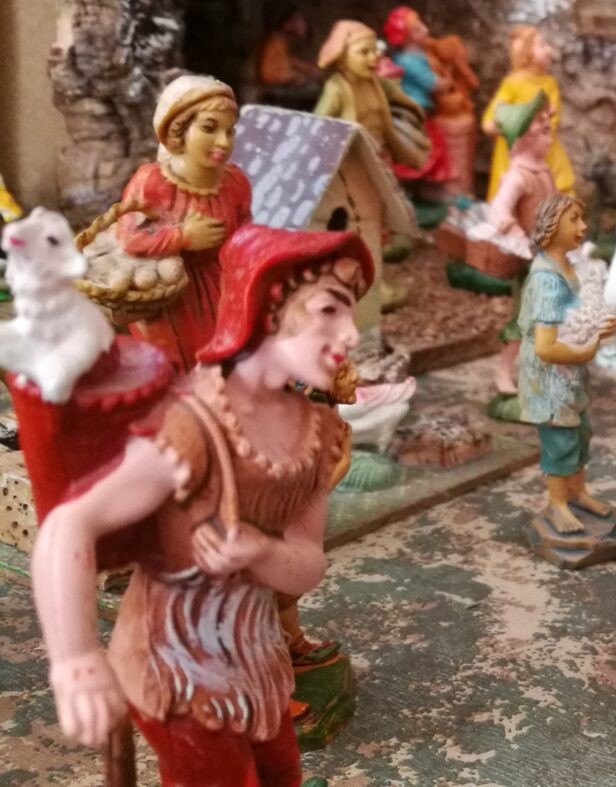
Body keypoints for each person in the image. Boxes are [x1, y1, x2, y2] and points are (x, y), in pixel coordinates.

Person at [31, 224, 372, 786]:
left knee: (282, 774)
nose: (351, 333)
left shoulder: (318, 432)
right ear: (267, 307)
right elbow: (70, 523)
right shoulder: (193, 423)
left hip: (256, 660)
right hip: (177, 666)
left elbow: (309, 563)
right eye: (330, 310)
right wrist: (75, 661)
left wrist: (259, 551)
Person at [116, 75, 252, 372]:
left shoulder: (235, 183)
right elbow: (129, 238)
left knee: (230, 360)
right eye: (209, 128)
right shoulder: (153, 182)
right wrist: (183, 236)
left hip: (222, 286)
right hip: (171, 296)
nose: (223, 141)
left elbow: (247, 236)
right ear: (178, 131)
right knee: (177, 369)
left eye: (230, 131)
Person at [518, 194, 616, 533]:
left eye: (581, 218)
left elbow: (581, 316)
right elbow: (546, 347)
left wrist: (604, 326)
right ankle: (557, 503)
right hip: (549, 378)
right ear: (551, 226)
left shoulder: (572, 267)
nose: (583, 226)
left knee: (581, 432)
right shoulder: (547, 280)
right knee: (560, 439)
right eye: (574, 219)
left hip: (571, 373)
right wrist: (588, 349)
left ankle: (577, 492)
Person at [487, 91, 558, 398]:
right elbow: (499, 210)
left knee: (550, 318)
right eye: (543, 133)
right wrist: (516, 233)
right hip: (530, 263)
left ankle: (543, 373)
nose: (549, 139)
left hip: (550, 259)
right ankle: (504, 370)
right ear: (525, 139)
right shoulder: (519, 177)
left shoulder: (543, 171)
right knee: (524, 318)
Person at [313, 19, 429, 170]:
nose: (374, 57)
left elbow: (399, 96)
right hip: (353, 161)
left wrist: (415, 110)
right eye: (364, 52)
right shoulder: (336, 89)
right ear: (342, 58)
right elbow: (318, 126)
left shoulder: (375, 83)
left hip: (381, 155)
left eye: (374, 50)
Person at [481, 26, 574, 200]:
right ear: (526, 53)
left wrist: (539, 127)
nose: (549, 49)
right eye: (542, 45)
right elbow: (490, 121)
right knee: (515, 193)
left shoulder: (549, 83)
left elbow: (553, 117)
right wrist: (514, 126)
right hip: (515, 151)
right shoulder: (512, 84)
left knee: (556, 186)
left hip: (543, 147)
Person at [381, 6, 455, 187]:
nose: (425, 29)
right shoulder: (408, 60)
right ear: (406, 36)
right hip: (414, 110)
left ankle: (423, 186)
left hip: (421, 109)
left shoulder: (418, 55)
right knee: (427, 146)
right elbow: (433, 84)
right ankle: (413, 183)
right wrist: (449, 77)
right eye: (416, 28)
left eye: (421, 24)